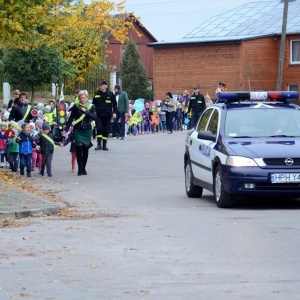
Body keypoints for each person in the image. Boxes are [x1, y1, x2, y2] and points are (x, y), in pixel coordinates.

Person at [64, 90, 97, 176]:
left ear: (87, 98)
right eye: (80, 98)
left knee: (85, 148)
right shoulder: (76, 106)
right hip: (77, 130)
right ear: (78, 98)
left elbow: (94, 117)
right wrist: (65, 130)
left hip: (87, 130)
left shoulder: (91, 106)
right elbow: (71, 118)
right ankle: (79, 169)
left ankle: (83, 168)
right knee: (79, 147)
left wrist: (85, 111)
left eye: (84, 98)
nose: (82, 99)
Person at [93, 80, 117, 150]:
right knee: (99, 128)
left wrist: (114, 112)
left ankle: (104, 145)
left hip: (107, 115)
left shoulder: (110, 94)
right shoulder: (97, 94)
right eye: (99, 86)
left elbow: (114, 104)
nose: (99, 87)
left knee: (105, 130)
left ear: (105, 86)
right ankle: (98, 144)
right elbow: (93, 104)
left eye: (101, 86)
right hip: (98, 115)